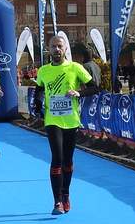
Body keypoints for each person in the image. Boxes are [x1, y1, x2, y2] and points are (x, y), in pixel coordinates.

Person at [34, 32, 95, 214]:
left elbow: (95, 87)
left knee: (68, 161)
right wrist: (38, 103)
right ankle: (57, 201)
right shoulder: (43, 71)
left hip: (71, 120)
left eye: (60, 46)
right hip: (53, 120)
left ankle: (66, 194)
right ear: (49, 49)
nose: (57, 49)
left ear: (65, 49)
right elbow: (38, 90)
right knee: (57, 158)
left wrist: (79, 93)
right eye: (53, 46)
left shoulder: (75, 68)